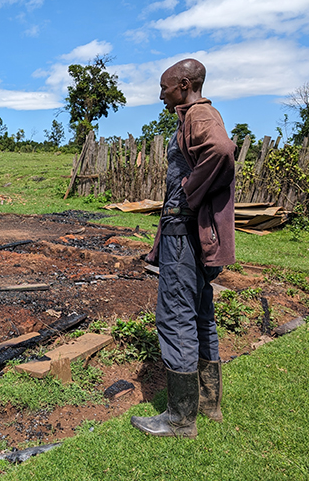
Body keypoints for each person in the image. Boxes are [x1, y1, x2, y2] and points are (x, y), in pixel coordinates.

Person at [131, 58, 236, 438]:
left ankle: (179, 418)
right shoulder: (197, 116)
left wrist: (189, 194)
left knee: (175, 315)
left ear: (185, 84)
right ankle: (208, 403)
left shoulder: (198, 116)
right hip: (196, 232)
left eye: (165, 88)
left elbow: (222, 151)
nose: (161, 95)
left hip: (184, 232)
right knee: (200, 310)